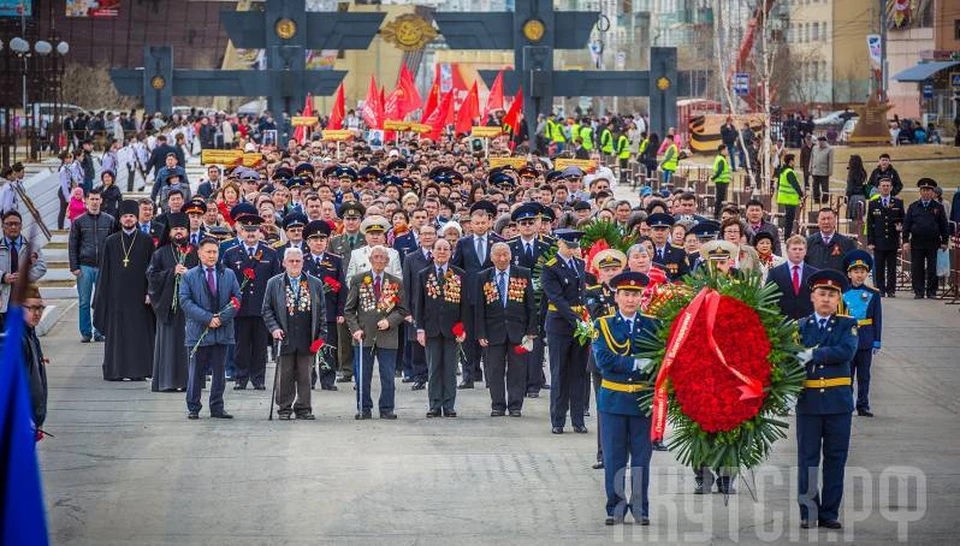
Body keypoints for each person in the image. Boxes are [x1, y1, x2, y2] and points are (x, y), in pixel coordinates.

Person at [592, 271, 656, 526]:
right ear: (616, 297)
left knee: (641, 459)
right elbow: (603, 361)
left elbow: (659, 360)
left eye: (635, 295)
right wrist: (638, 363)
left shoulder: (653, 324)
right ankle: (615, 507)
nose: (631, 299)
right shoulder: (603, 325)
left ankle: (640, 508)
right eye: (626, 294)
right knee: (614, 458)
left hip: (642, 401)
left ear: (642, 298)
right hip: (614, 401)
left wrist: (633, 365)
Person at [796, 269, 858, 530]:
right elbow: (790, 356)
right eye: (822, 294)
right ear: (812, 296)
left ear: (838, 299)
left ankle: (829, 512)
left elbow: (846, 351)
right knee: (808, 460)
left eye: (832, 295)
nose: (826, 299)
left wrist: (813, 354)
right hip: (809, 404)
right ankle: (808, 512)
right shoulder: (799, 326)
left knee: (835, 459)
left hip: (838, 404)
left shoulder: (847, 324)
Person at [179, 238, 242, 420]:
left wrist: (221, 318)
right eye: (208, 252)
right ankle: (193, 406)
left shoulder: (228, 274)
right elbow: (185, 301)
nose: (212, 255)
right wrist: (207, 319)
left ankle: (217, 407)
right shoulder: (189, 276)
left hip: (222, 331)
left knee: (219, 372)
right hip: (198, 331)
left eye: (215, 252)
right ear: (199, 253)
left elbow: (237, 298)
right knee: (196, 371)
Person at [262, 247, 328, 420]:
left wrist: (321, 336)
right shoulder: (274, 283)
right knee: (285, 375)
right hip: (284, 336)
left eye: (298, 261)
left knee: (305, 375)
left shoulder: (315, 283)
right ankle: (284, 408)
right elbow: (266, 309)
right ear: (284, 263)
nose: (294, 264)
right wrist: (274, 328)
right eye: (291, 261)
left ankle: (304, 408)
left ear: (303, 262)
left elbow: (321, 312)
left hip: (307, 337)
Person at [94, 200, 156, 381]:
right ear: (120, 220)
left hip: (139, 297)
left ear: (136, 218)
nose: (128, 219)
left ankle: (140, 371)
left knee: (139, 334)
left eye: (131, 216)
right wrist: (103, 296)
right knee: (118, 335)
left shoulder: (146, 240)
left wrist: (150, 292)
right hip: (116, 298)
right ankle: (117, 371)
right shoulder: (111, 241)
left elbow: (152, 270)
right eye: (125, 216)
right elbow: (104, 272)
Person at [221, 203, 281, 390]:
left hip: (262, 307)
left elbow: (276, 281)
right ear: (241, 231)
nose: (250, 234)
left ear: (259, 231)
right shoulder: (231, 254)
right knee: (241, 345)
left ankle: (258, 378)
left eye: (254, 230)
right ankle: (241, 377)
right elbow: (226, 281)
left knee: (260, 346)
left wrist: (274, 306)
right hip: (240, 307)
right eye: (247, 230)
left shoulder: (270, 253)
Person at [344, 245, 408, 420]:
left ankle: (387, 408)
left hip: (388, 336)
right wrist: (355, 330)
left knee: (388, 376)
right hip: (363, 336)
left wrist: (390, 321)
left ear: (387, 261)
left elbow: (402, 310)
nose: (379, 260)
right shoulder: (358, 279)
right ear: (370, 260)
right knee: (363, 377)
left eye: (383, 258)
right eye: (376, 257)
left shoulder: (396, 282)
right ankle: (363, 408)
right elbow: (349, 310)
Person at [475, 242, 537, 418]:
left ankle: (515, 405)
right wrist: (481, 333)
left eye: (505, 255)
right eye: (498, 255)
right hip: (493, 331)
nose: (502, 259)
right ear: (491, 257)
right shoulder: (483, 276)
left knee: (517, 369)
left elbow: (530, 304)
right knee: (495, 370)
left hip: (519, 331)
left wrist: (532, 329)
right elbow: (479, 308)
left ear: (511, 256)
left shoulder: (523, 273)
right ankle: (498, 405)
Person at [542, 229, 589, 435]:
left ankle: (578, 419)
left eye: (575, 246)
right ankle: (558, 420)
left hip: (579, 326)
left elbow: (582, 294)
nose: (572, 250)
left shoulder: (580, 264)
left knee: (579, 373)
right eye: (569, 246)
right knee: (560, 372)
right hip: (560, 325)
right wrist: (578, 320)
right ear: (560, 243)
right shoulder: (551, 267)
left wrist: (585, 320)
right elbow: (557, 299)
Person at [451, 200, 502, 388]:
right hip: (469, 298)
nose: (480, 226)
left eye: (483, 223)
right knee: (469, 338)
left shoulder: (498, 242)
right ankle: (468, 376)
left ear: (489, 223)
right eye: (476, 223)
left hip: (492, 297)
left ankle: (491, 377)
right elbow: (456, 268)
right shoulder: (463, 243)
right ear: (470, 224)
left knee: (489, 338)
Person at [414, 238, 467, 418]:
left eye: (446, 249)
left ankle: (449, 404)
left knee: (450, 369)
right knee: (434, 368)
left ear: (451, 253)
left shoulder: (459, 274)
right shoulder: (424, 274)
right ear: (433, 252)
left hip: (453, 329)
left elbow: (465, 304)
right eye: (439, 249)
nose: (442, 252)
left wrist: (463, 328)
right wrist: (420, 329)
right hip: (431, 328)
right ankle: (435, 405)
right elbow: (418, 304)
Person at [583, 249, 626, 469]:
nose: (611, 273)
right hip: (603, 359)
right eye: (607, 270)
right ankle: (604, 453)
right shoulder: (592, 292)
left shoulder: (629, 292)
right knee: (604, 407)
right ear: (600, 273)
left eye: (615, 269)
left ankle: (622, 454)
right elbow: (599, 317)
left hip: (627, 358)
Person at [147, 212, 198, 392]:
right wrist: (171, 273)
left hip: (189, 308)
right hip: (167, 305)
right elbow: (151, 276)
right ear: (169, 232)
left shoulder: (195, 252)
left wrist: (188, 274)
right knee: (168, 344)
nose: (179, 232)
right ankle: (166, 382)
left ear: (187, 231)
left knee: (188, 343)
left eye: (182, 229)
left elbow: (203, 275)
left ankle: (187, 382)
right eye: (175, 229)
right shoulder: (160, 253)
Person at [302, 220, 345, 391]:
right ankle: (309, 378)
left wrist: (341, 311)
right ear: (308, 242)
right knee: (309, 345)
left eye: (322, 239)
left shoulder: (335, 260)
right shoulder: (302, 260)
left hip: (329, 311)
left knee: (328, 346)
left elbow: (341, 287)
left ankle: (328, 379)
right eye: (315, 239)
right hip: (307, 311)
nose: (319, 242)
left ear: (327, 241)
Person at [68, 188, 115, 342]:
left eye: (97, 199)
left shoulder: (109, 220)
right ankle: (86, 332)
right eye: (92, 199)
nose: (94, 202)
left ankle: (99, 331)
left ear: (101, 201)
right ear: (86, 201)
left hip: (104, 266)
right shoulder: (79, 222)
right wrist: (74, 266)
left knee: (101, 300)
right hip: (84, 266)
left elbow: (114, 244)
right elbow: (72, 244)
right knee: (84, 301)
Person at [841, 250, 882, 418]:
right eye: (855, 272)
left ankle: (863, 405)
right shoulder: (842, 293)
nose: (859, 275)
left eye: (862, 272)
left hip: (865, 338)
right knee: (847, 375)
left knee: (864, 375)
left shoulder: (874, 293)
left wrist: (877, 340)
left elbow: (877, 318)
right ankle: (847, 404)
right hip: (848, 339)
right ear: (849, 273)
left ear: (867, 273)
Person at [400, 223, 436, 390]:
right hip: (416, 307)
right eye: (424, 234)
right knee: (417, 344)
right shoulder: (410, 258)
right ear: (419, 237)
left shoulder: (441, 255)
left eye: (431, 233)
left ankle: (433, 375)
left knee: (435, 342)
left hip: (436, 306)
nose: (428, 237)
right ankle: (419, 376)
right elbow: (406, 286)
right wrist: (406, 310)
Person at [902, 178, 949, 299]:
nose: (926, 193)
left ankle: (931, 291)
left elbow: (944, 225)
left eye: (928, 190)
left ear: (932, 192)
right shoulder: (913, 207)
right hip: (917, 242)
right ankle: (919, 291)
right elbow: (906, 225)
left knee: (932, 268)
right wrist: (905, 241)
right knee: (917, 267)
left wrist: (944, 241)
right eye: (924, 190)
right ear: (920, 192)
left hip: (933, 242)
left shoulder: (938, 207)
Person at [0, 211, 47, 331]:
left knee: (27, 335)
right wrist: (3, 277)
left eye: (16, 224)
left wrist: (25, 276)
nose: (13, 227)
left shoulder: (32, 246)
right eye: (9, 224)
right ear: (3, 226)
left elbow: (42, 267)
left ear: (21, 226)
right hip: (4, 298)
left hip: (26, 299)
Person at [866, 177, 904, 297]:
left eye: (888, 185)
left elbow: (903, 219)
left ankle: (891, 290)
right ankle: (880, 289)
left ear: (891, 187)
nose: (886, 188)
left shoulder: (898, 202)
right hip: (878, 241)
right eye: (883, 186)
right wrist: (870, 241)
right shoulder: (873, 204)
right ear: (879, 188)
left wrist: (901, 227)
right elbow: (870, 224)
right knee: (879, 267)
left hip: (892, 240)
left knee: (892, 268)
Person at [767, 235, 819, 320]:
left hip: (808, 322)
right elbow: (768, 299)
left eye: (800, 249)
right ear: (787, 251)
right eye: (794, 249)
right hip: (782, 323)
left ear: (805, 251)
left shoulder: (815, 274)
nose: (797, 252)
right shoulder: (775, 273)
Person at [21, 284, 48, 433]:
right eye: (31, 308)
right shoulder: (19, 339)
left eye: (40, 308)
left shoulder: (31, 334)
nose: (37, 313)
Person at [804, 208, 856, 272]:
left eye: (829, 219)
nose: (826, 222)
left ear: (835, 220)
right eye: (823, 219)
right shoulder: (808, 242)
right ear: (818, 221)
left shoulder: (847, 243)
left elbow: (853, 268)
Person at [646, 213, 688, 280]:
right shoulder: (645, 251)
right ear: (651, 232)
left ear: (669, 232)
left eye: (663, 230)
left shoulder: (679, 252)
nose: (659, 233)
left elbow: (685, 276)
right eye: (656, 230)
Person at [776, 154, 803, 237]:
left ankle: (786, 236)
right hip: (790, 199)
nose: (794, 162)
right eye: (793, 160)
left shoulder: (783, 171)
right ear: (791, 161)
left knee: (788, 219)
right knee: (789, 220)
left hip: (784, 198)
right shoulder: (789, 172)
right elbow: (795, 185)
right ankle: (787, 237)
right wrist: (801, 194)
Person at [710, 144, 731, 219]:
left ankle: (717, 213)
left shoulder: (720, 158)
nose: (727, 151)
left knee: (720, 198)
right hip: (721, 182)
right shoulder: (721, 159)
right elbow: (720, 170)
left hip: (721, 181)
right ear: (722, 150)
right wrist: (714, 177)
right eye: (726, 150)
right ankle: (717, 214)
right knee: (720, 199)